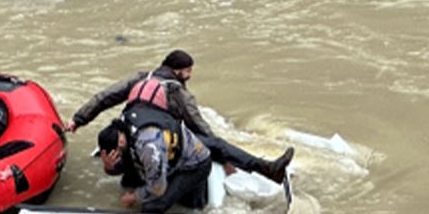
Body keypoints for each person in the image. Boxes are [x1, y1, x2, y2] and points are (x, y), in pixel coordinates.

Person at [67, 49, 293, 183]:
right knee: (217, 144)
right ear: (177, 71)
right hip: (158, 143)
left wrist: (78, 120)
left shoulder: (140, 78)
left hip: (131, 136)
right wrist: (223, 158)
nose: (189, 76)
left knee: (132, 166)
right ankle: (268, 170)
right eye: (188, 72)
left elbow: (104, 97)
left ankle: (122, 174)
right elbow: (199, 125)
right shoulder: (176, 90)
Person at [94, 114, 213, 214]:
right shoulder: (124, 129)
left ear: (121, 142)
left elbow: (157, 188)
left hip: (193, 165)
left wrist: (134, 197)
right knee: (127, 182)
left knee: (151, 207)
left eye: (116, 155)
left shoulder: (148, 146)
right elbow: (126, 164)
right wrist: (109, 167)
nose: (116, 158)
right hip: (168, 158)